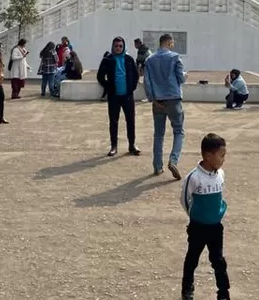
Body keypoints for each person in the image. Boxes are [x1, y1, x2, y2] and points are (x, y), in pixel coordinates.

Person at [180, 133, 230, 300]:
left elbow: (219, 197)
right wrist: (195, 216)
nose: (223, 159)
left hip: (216, 228)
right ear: (208, 156)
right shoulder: (194, 177)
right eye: (221, 156)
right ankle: (187, 289)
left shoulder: (220, 174)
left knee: (219, 261)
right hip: (198, 228)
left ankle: (223, 292)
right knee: (192, 259)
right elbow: (184, 200)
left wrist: (218, 212)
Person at [144, 33, 186, 179]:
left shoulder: (150, 59)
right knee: (179, 131)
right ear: (169, 43)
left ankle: (157, 166)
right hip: (173, 97)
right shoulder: (175, 57)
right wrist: (185, 76)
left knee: (158, 134)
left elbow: (147, 81)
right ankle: (173, 160)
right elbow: (180, 78)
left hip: (158, 100)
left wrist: (152, 98)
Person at [97, 37, 141, 157]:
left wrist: (131, 88)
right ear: (113, 46)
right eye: (116, 46)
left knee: (130, 121)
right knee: (113, 122)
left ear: (123, 47)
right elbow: (100, 76)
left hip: (127, 96)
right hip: (114, 96)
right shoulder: (107, 60)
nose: (118, 48)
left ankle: (132, 145)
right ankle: (114, 146)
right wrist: (108, 87)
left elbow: (136, 75)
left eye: (120, 46)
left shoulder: (129, 59)